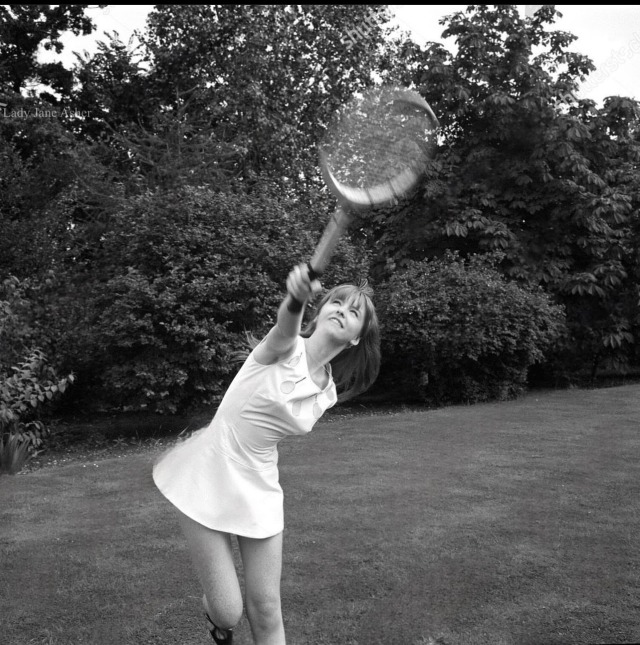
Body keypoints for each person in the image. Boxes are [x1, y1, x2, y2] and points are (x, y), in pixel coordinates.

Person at [153, 263, 381, 644]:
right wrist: (294, 299)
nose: (342, 310)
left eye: (354, 311)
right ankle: (217, 620)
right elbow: (286, 324)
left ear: (357, 337)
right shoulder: (283, 347)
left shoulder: (327, 393)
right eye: (336, 302)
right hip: (209, 468)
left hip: (259, 482)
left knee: (267, 608)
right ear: (319, 310)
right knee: (229, 611)